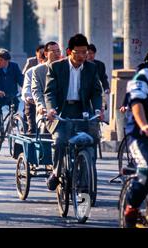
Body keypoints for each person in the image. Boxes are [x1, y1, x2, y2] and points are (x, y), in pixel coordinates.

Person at [45, 34, 103, 191]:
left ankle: (86, 176)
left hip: (83, 111)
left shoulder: (91, 68)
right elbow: (49, 92)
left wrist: (98, 109)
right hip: (61, 111)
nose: (83, 56)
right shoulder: (56, 67)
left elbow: (96, 92)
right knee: (60, 141)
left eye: (85, 52)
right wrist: (51, 108)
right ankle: (56, 173)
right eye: (79, 52)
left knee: (92, 140)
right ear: (70, 51)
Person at [123, 61, 148, 227]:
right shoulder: (145, 77)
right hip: (142, 136)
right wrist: (144, 125)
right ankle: (132, 206)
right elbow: (137, 104)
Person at [0, 48, 24, 150]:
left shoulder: (14, 67)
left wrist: (26, 88)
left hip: (10, 95)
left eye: (1, 60)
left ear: (7, 61)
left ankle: (12, 122)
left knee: (15, 107)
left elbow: (21, 79)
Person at [31, 41, 62, 118]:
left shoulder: (66, 68)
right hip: (45, 110)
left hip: (63, 109)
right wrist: (40, 106)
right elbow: (36, 90)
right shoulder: (38, 70)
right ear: (45, 54)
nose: (57, 54)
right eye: (53, 51)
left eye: (58, 51)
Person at [22, 53, 45, 134]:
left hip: (49, 104)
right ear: (41, 60)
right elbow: (27, 88)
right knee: (32, 129)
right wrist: (29, 97)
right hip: (32, 103)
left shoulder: (55, 70)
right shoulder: (32, 71)